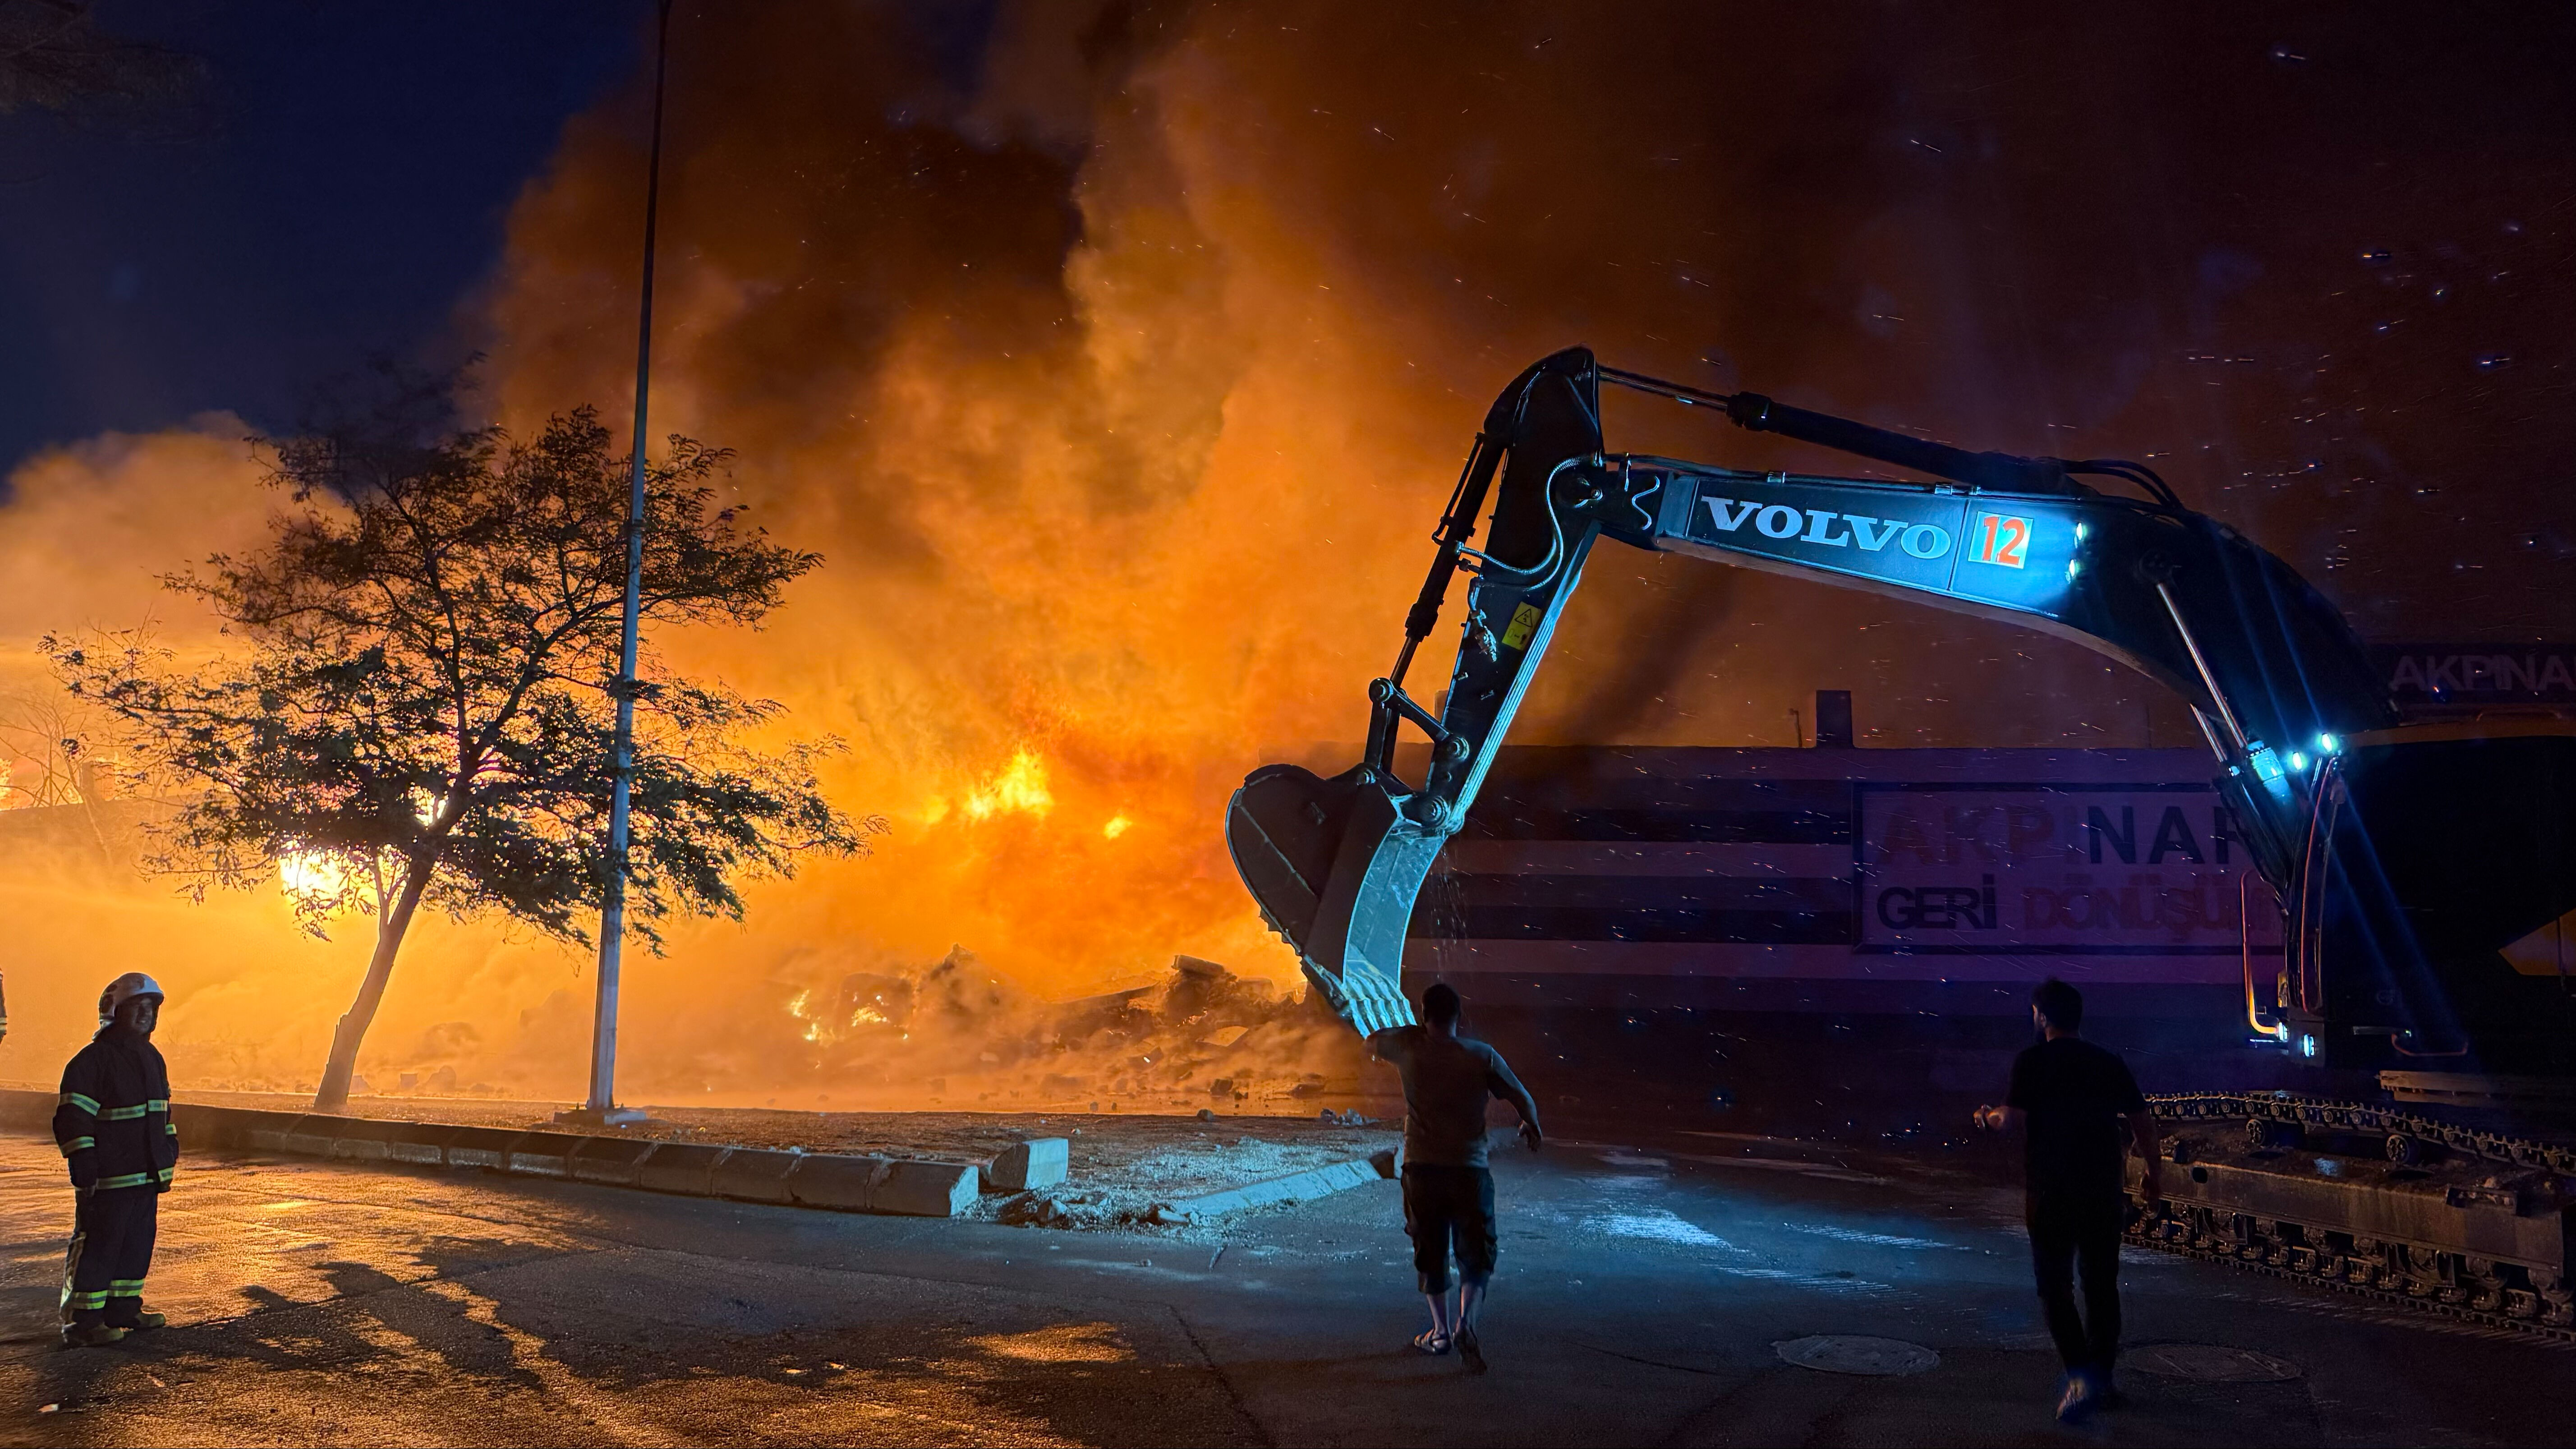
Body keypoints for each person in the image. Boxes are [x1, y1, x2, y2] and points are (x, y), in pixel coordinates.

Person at [1975, 977, 2161, 1423]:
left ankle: (2081, 1381)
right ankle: (2102, 1379)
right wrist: (2155, 1173)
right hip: (2101, 1192)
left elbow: (2009, 1120)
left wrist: (1986, 1118)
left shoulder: (2033, 1061)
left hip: (2051, 1193)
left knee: (2055, 1290)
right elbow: (2142, 1122)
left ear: (2041, 1017)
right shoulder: (2107, 1062)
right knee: (2101, 1288)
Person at [1369, 981, 1541, 1375]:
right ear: (1460, 1016)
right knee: (1477, 1255)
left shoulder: (1409, 1049)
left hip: (1423, 1170)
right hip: (1470, 1170)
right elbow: (1523, 1097)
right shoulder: (1481, 1054)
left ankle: (1442, 1332)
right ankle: (1469, 1324)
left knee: (1430, 1253)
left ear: (1423, 1012)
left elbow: (1372, 1039)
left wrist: (1411, 1029)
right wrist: (1532, 1125)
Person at [54, 972, 178, 1348]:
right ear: (114, 1012)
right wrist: (84, 1166)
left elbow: (163, 1116)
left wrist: (168, 1155)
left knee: (136, 1245)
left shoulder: (151, 1058)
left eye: (150, 1008)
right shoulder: (93, 1061)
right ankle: (83, 1322)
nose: (145, 1015)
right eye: (137, 1007)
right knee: (99, 1247)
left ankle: (123, 1309)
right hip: (108, 1179)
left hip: (144, 1178)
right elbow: (73, 1119)